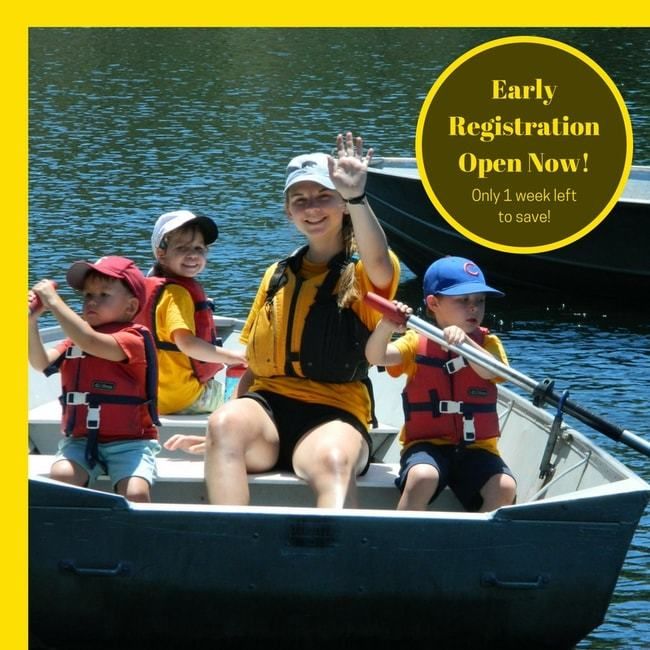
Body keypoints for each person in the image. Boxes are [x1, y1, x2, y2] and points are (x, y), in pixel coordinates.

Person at [193, 132, 400, 508]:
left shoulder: (365, 270)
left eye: (325, 196)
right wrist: (224, 436)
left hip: (335, 413)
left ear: (342, 205)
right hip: (268, 411)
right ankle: (231, 551)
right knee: (223, 425)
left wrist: (356, 195)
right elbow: (255, 366)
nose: (312, 208)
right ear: (288, 211)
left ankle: (335, 559)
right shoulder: (276, 274)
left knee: (334, 462)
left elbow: (381, 265)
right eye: (300, 200)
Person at [365, 256, 517, 512]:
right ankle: (404, 537)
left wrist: (466, 344)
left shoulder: (487, 344)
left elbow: (491, 372)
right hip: (427, 446)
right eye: (463, 300)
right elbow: (376, 357)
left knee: (504, 487)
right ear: (433, 303)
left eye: (479, 300)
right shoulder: (415, 341)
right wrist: (385, 327)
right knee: (422, 477)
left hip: (477, 449)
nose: (474, 308)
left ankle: (476, 544)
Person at [28, 256, 161, 503]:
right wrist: (30, 322)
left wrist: (54, 301)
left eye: (103, 295)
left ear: (130, 307)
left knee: (135, 492)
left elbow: (90, 341)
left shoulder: (132, 339)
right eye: (88, 295)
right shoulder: (74, 339)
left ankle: (135, 537)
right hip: (80, 442)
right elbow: (40, 362)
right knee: (60, 477)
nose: (92, 301)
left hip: (131, 443)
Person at [138, 210, 247, 415]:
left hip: (148, 395)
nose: (193, 255)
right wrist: (234, 357)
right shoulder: (176, 294)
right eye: (182, 248)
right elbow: (187, 344)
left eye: (199, 248)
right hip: (181, 398)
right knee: (250, 391)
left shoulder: (148, 288)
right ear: (161, 253)